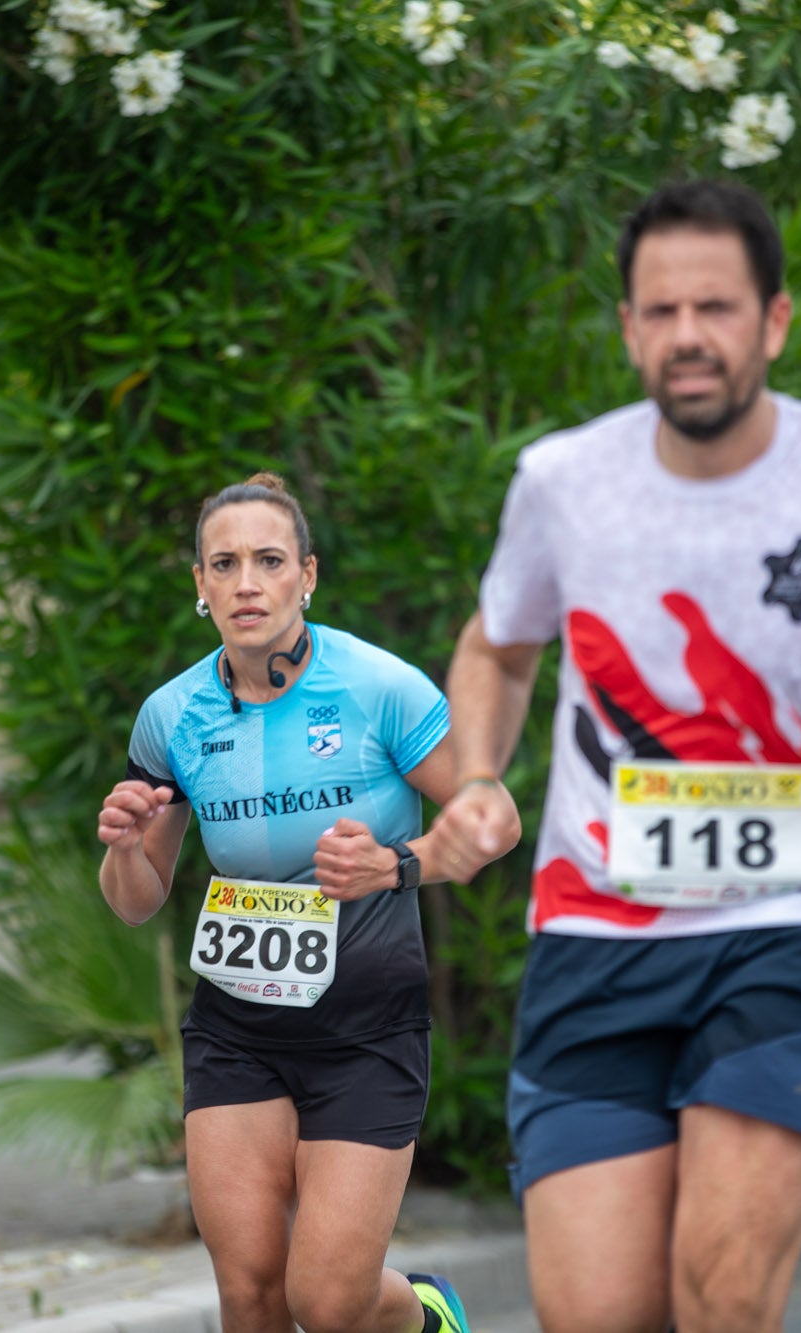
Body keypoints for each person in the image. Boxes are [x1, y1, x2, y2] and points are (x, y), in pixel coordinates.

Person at [425, 179, 801, 1333]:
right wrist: (482, 777)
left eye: (715, 306)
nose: (686, 335)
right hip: (594, 935)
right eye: (660, 311)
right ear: (627, 329)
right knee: (595, 1316)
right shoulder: (561, 480)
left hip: (793, 928)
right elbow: (495, 649)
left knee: (721, 1294)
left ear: (773, 321)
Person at [96, 473, 483, 1333]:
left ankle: (423, 1314)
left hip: (368, 1028)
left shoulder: (380, 688)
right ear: (198, 584)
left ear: (307, 574)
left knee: (330, 1301)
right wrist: (125, 848)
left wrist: (394, 864)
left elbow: (491, 822)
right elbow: (136, 900)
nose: (246, 583)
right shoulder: (173, 716)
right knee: (250, 1293)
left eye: (268, 560)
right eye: (223, 563)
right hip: (238, 1029)